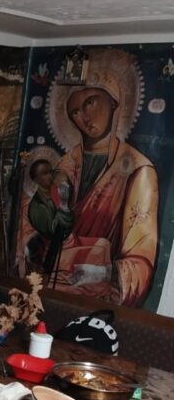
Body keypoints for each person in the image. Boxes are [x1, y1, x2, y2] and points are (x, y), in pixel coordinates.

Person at [49, 77, 158, 306]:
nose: (84, 116)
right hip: (53, 286)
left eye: (91, 102)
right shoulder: (64, 166)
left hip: (95, 298)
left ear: (114, 102)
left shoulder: (138, 170)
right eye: (75, 112)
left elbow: (141, 262)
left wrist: (102, 273)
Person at [25, 158, 74, 274]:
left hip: (69, 242)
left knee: (104, 245)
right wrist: (63, 204)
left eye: (50, 172)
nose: (50, 176)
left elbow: (71, 220)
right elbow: (54, 232)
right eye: (45, 173)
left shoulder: (55, 193)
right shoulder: (36, 207)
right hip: (52, 251)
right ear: (36, 179)